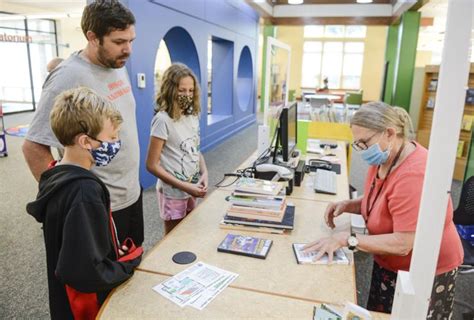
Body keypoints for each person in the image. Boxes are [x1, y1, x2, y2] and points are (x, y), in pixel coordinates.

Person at [303, 102, 463, 317]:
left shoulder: (414, 175)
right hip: (390, 263)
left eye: (364, 142)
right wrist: (350, 205)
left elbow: (403, 243)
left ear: (389, 133)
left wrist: (348, 239)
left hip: (423, 272)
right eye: (357, 143)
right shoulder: (385, 156)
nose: (361, 150)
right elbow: (383, 198)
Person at [22, 0, 144, 246]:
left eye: (131, 40)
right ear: (93, 37)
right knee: (106, 279)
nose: (128, 49)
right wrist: (61, 196)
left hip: (131, 193)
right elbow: (33, 146)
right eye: (119, 42)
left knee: (133, 264)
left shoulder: (116, 64)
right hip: (99, 205)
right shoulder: (67, 77)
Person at [26, 87, 143, 320]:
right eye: (111, 137)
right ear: (85, 141)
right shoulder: (84, 191)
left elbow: (77, 240)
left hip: (63, 300)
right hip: (84, 306)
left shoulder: (56, 174)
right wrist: (128, 265)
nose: (116, 143)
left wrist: (108, 249)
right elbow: (84, 271)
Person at [146, 63, 208, 234]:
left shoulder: (193, 115)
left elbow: (194, 148)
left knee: (188, 232)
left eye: (190, 90)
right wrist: (185, 187)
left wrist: (204, 172)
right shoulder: (162, 120)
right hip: (173, 192)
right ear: (170, 90)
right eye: (181, 90)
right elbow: (151, 165)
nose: (187, 95)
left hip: (191, 187)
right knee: (173, 238)